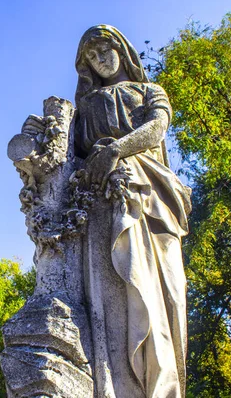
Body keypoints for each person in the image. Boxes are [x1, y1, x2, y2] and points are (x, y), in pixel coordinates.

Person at [74, 25, 191, 397]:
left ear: (121, 49)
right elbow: (69, 155)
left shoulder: (149, 91)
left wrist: (117, 149)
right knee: (111, 304)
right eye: (92, 57)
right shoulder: (85, 108)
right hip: (103, 203)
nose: (101, 60)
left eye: (105, 50)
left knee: (163, 293)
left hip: (152, 199)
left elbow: (156, 128)